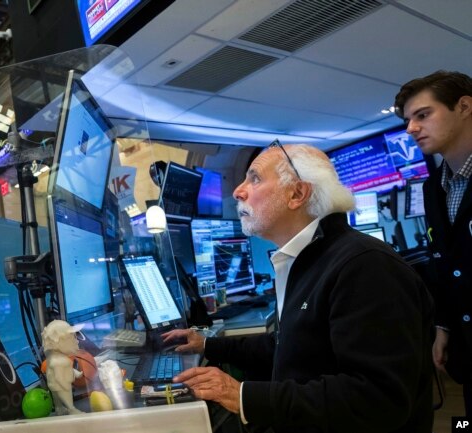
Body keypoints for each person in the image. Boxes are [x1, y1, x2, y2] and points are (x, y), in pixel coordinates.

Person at [163, 143, 434, 432]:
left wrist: (242, 396)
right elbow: (291, 345)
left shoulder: (364, 265)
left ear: (297, 194)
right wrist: (208, 345)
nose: (238, 191)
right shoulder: (307, 260)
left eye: (254, 178)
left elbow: (377, 399)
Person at [394, 70, 472, 416]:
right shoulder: (432, 188)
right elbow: (446, 263)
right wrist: (443, 326)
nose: (411, 128)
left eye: (422, 115)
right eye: (409, 119)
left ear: (464, 106)